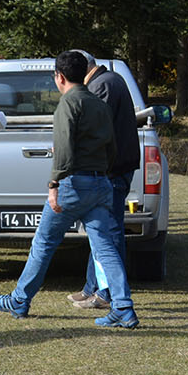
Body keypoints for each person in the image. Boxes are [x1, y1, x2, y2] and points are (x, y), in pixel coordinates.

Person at [0, 50, 138, 329]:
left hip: (73, 184)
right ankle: (123, 307)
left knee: (43, 244)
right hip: (101, 183)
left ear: (59, 77)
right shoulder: (98, 103)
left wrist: (54, 185)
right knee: (106, 249)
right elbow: (112, 148)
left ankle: (20, 299)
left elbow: (64, 150)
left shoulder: (68, 104)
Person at [69, 53, 141, 311]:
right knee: (101, 231)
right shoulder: (109, 79)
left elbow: (95, 128)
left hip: (113, 170)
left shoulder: (102, 85)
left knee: (109, 233)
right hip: (116, 168)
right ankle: (92, 287)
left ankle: (108, 293)